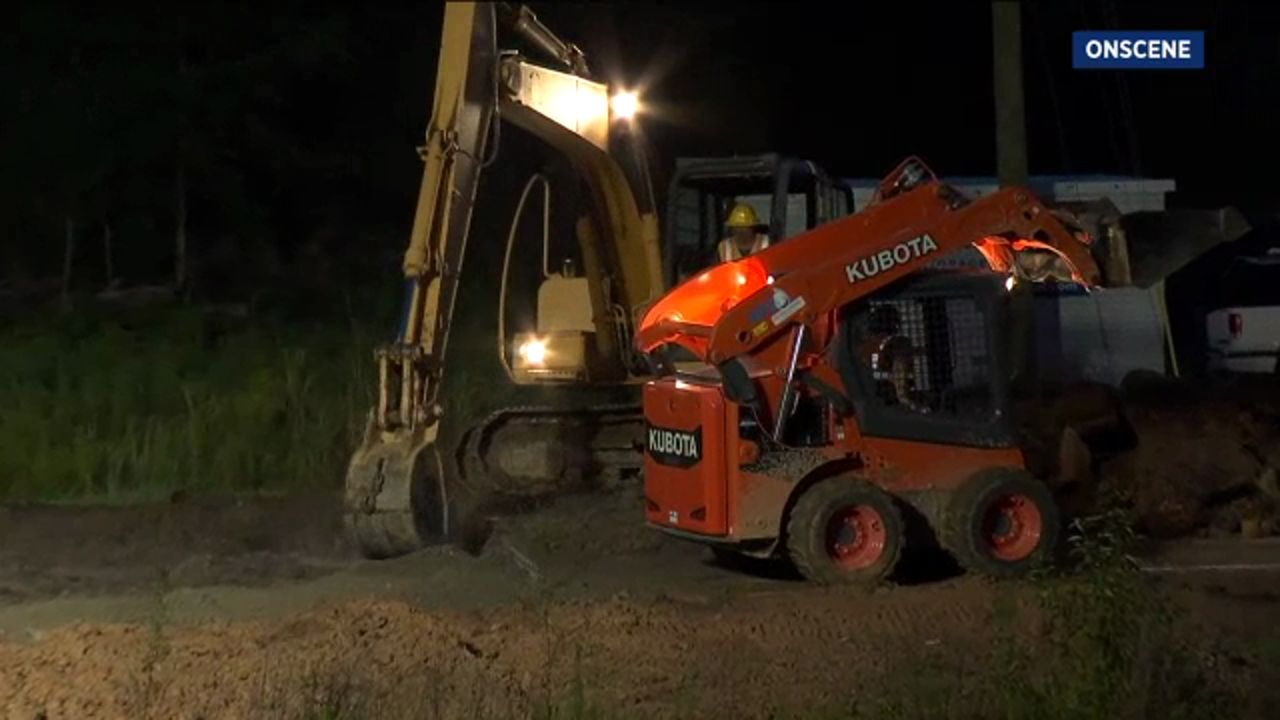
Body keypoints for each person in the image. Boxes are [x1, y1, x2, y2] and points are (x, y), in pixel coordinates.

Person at [859, 304, 929, 413]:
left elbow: (873, 369)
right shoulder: (898, 343)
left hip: (872, 399)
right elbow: (879, 371)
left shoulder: (867, 345)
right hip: (890, 398)